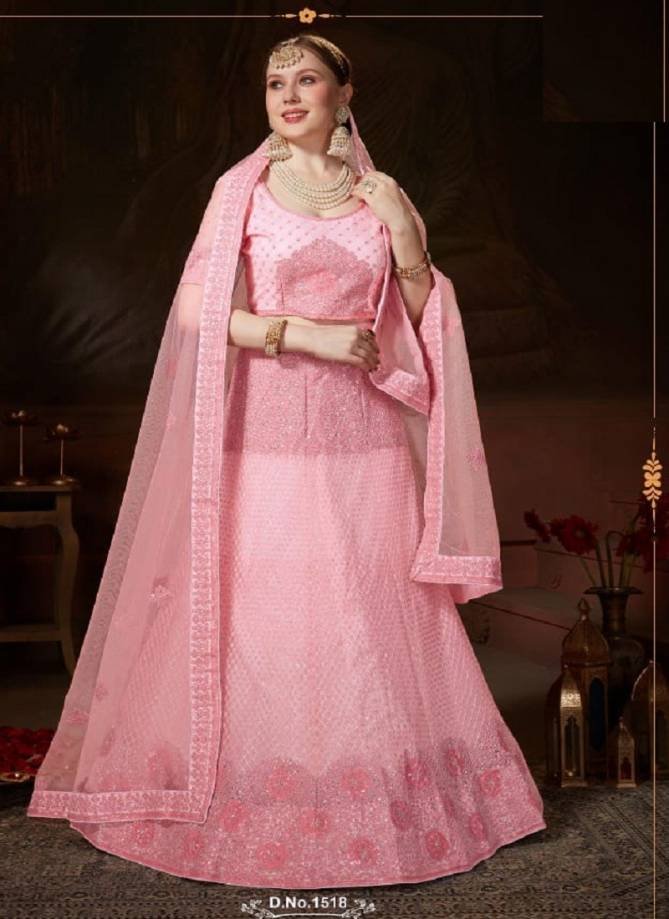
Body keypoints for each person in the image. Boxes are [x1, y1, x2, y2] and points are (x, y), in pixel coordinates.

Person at [27, 33, 546, 888]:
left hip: (366, 444)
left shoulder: (380, 194)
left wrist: (405, 237)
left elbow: (421, 312)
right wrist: (301, 334)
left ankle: (390, 798)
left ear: (345, 95)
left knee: (372, 616)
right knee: (269, 613)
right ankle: (252, 791)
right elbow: (194, 312)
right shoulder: (242, 192)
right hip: (263, 441)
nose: (289, 95)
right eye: (275, 83)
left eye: (306, 79)